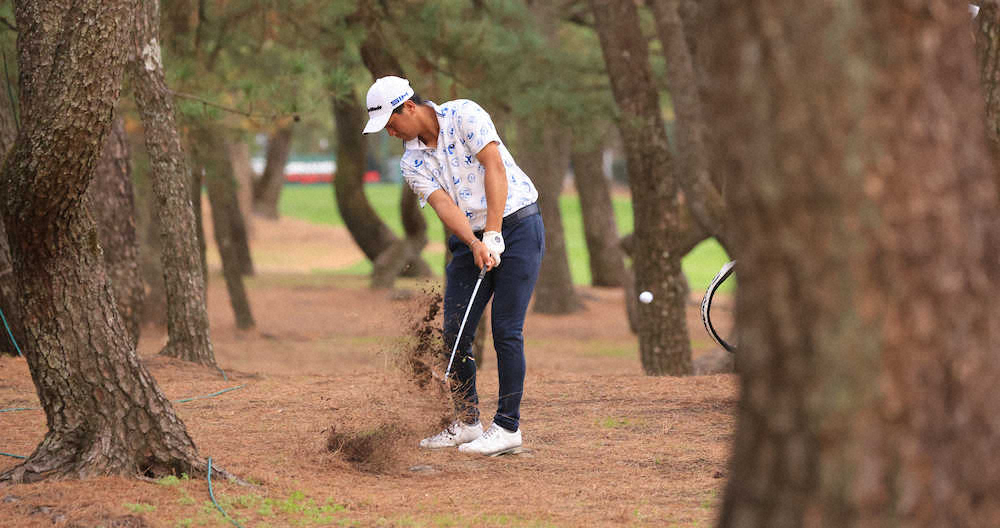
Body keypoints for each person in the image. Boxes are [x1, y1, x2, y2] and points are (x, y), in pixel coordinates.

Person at [362, 76, 544, 456]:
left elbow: (494, 167)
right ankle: (467, 422)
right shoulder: (411, 161)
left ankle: (508, 427)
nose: (391, 132)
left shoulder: (465, 114)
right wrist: (476, 242)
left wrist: (493, 232)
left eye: (391, 123)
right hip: (469, 237)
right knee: (455, 330)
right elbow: (445, 205)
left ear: (409, 106)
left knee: (506, 329)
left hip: (517, 222)